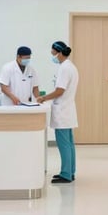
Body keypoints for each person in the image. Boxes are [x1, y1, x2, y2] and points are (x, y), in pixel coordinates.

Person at [38, 41, 79, 184]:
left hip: (63, 110)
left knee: (64, 144)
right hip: (67, 109)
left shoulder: (64, 68)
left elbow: (60, 90)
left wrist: (44, 98)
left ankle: (66, 174)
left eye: (53, 54)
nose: (53, 56)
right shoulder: (70, 66)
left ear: (60, 53)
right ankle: (70, 172)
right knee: (69, 143)